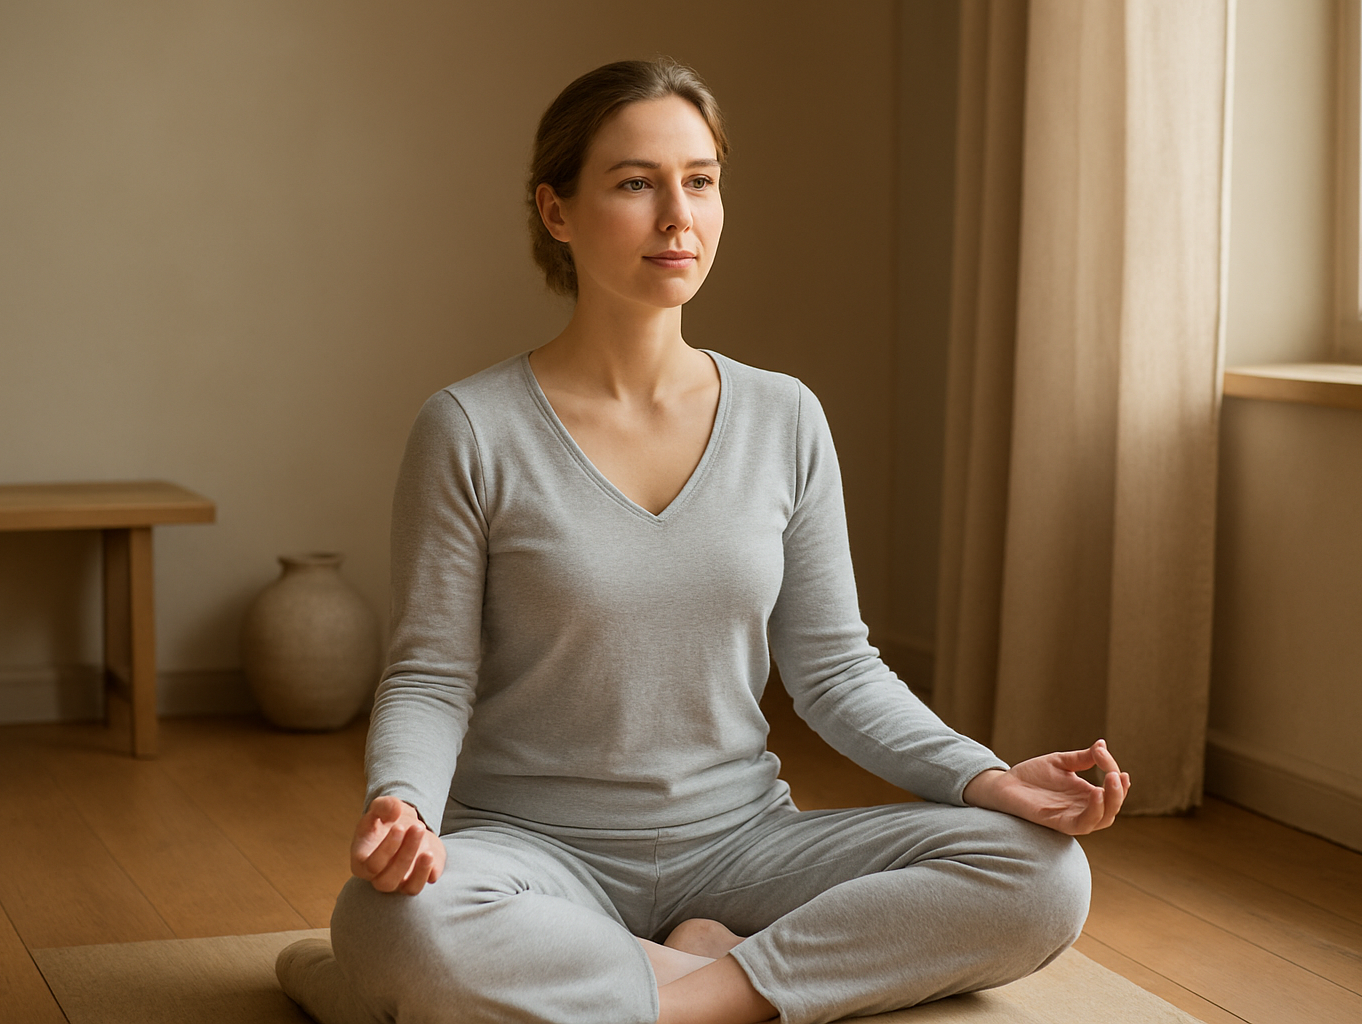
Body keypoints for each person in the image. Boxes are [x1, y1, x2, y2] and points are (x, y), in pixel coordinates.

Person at [276, 58, 1129, 1024]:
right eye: (636, 184)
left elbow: (837, 672)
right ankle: (726, 978)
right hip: (534, 852)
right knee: (393, 922)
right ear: (556, 212)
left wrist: (985, 775)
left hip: (744, 847)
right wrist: (405, 808)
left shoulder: (786, 418)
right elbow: (432, 673)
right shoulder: (469, 428)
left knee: (1042, 872)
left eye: (702, 180)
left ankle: (667, 992)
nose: (679, 215)